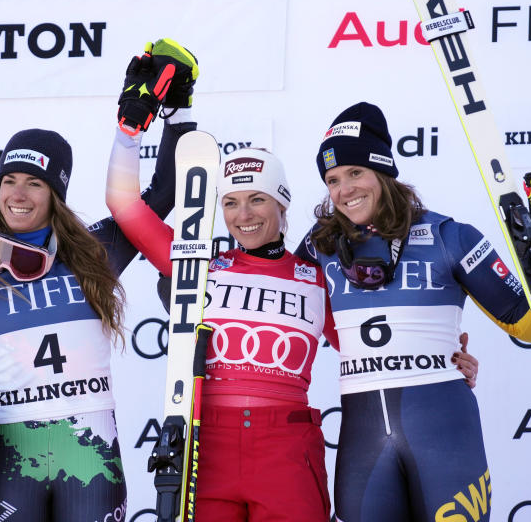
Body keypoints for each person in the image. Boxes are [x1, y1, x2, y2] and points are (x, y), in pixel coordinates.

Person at [0, 39, 199, 522]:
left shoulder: (94, 252)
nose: (17, 194)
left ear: (55, 193)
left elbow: (163, 192)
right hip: (11, 452)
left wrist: (174, 112)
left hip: (91, 449)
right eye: (8, 181)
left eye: (34, 183)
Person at [107, 140, 481, 521]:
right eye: (231, 202)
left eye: (257, 199)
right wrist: (130, 130)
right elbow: (123, 203)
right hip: (209, 446)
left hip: (286, 449)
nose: (243, 214)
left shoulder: (319, 279)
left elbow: (370, 348)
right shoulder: (196, 265)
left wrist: (446, 360)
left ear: (281, 203)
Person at [295, 101, 531, 522]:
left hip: (443, 429)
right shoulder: (319, 248)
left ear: (383, 173)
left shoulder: (450, 235)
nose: (344, 189)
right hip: (363, 438)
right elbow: (275, 314)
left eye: (355, 173)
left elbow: (529, 329)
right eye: (333, 180)